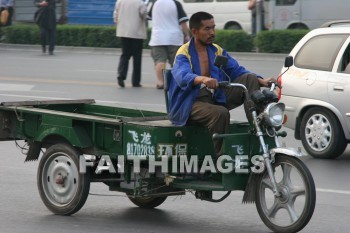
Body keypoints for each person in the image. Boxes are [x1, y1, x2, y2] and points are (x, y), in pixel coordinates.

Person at [169, 11, 276, 155]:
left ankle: (258, 129)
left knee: (249, 78)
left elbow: (236, 70)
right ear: (194, 31)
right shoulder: (183, 52)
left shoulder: (216, 51)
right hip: (190, 103)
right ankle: (219, 160)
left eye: (213, 28)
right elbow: (182, 75)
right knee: (221, 113)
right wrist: (203, 79)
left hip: (214, 97)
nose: (212, 32)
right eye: (207, 29)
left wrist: (262, 80)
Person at [148, 0, 190, 89]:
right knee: (175, 62)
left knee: (160, 61)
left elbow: (149, 17)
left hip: (158, 38)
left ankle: (160, 83)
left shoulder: (155, 3)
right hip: (174, 38)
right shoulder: (176, 3)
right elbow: (183, 22)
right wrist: (187, 35)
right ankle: (176, 82)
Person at [113, 0, 147, 88]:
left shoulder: (120, 1)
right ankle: (135, 81)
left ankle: (121, 75)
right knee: (137, 58)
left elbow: (115, 15)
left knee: (125, 55)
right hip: (137, 33)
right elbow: (144, 14)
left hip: (123, 32)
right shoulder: (140, 2)